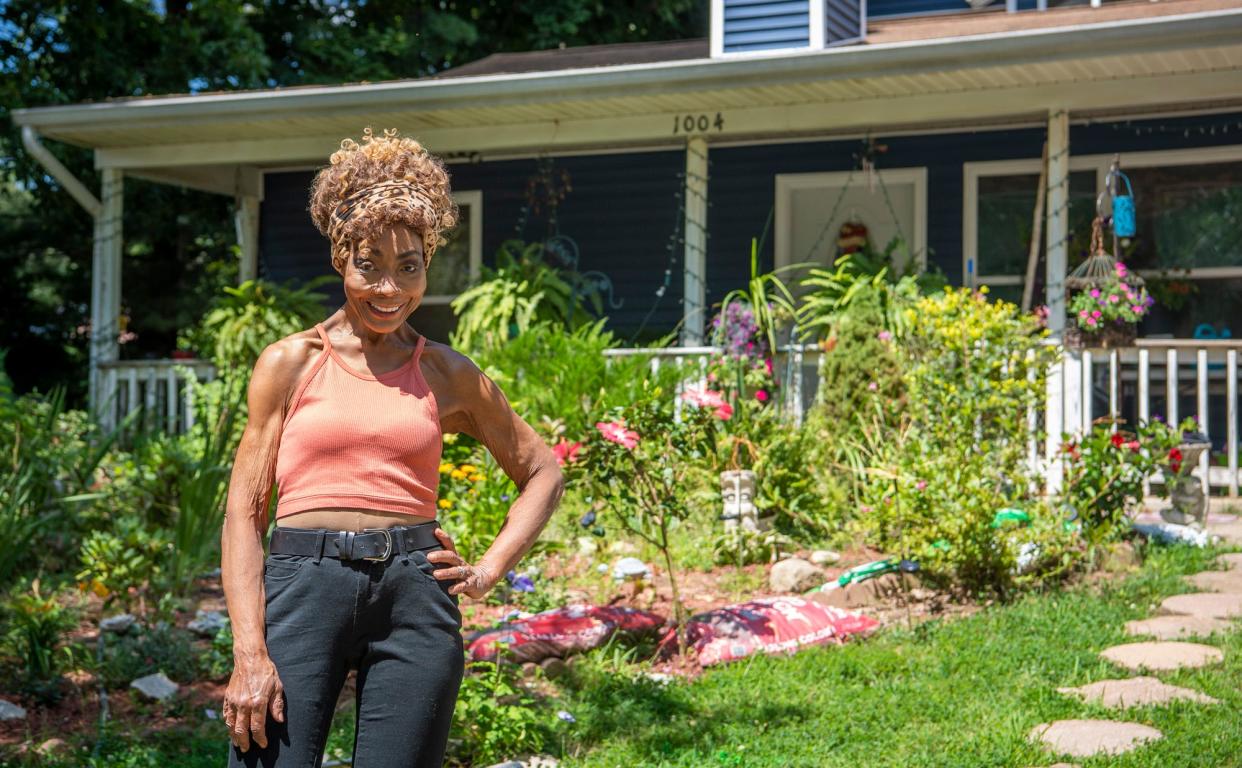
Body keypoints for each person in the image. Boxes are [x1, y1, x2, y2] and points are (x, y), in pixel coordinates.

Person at [220, 127, 564, 768]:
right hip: (301, 583)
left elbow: (542, 469)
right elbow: (244, 511)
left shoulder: (447, 372)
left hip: (413, 591)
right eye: (368, 265)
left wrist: (487, 570)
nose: (389, 288)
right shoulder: (290, 364)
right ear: (338, 259)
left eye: (409, 268)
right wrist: (249, 652)